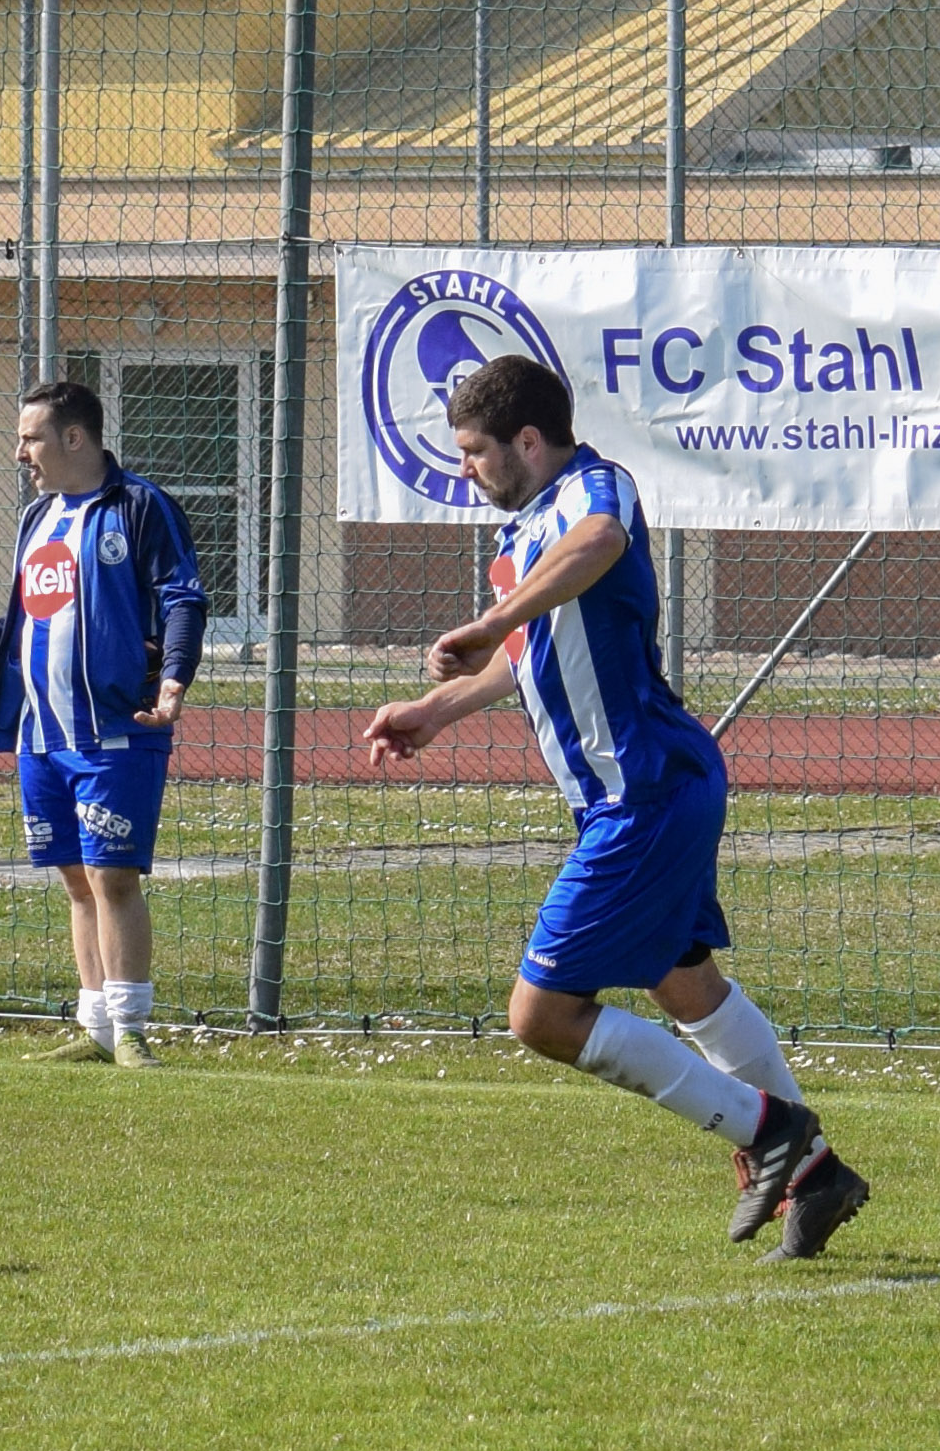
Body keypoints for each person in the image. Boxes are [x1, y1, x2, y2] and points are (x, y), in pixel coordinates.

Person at [359, 356, 869, 1261]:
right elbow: (531, 649)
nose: (464, 469)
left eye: (473, 451)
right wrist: (433, 710)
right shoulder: (527, 535)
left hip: (643, 791)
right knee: (682, 981)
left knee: (541, 1015)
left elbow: (597, 542)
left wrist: (490, 619)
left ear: (527, 440)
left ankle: (770, 1132)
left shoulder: (594, 490)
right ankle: (814, 1172)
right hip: (646, 788)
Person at [0, 381, 208, 1067]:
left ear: (74, 437)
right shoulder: (37, 518)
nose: (20, 453)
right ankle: (96, 1027)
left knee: (112, 877)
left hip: (116, 729)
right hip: (40, 736)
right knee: (75, 879)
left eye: (30, 438)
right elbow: (28, 619)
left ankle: (131, 1029)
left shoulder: (140, 506)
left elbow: (183, 599)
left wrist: (173, 678)